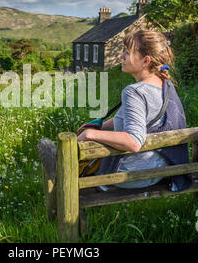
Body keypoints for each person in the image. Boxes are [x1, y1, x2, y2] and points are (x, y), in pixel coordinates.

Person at [77, 28, 191, 192]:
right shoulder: (166, 84)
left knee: (66, 162)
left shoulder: (134, 92)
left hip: (131, 174)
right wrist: (98, 126)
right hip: (160, 168)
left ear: (145, 61)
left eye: (128, 53)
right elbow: (134, 119)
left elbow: (134, 141)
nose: (122, 56)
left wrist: (90, 134)